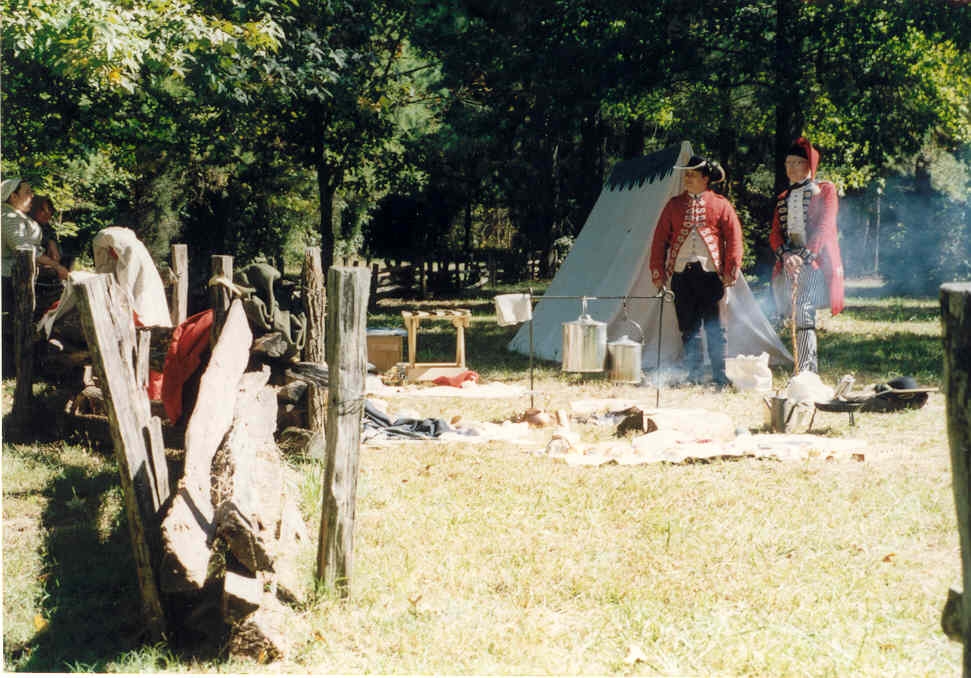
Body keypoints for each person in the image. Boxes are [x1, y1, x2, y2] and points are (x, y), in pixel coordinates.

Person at [649, 155, 743, 387]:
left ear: (705, 178)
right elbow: (660, 239)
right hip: (681, 274)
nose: (687, 178)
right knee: (688, 327)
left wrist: (731, 267)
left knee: (715, 328)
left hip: (711, 275)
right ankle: (695, 374)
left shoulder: (721, 204)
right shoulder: (673, 205)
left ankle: (720, 376)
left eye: (692, 174)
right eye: (686, 174)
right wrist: (658, 271)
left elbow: (734, 238)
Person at [769, 137, 844, 374]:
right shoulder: (783, 198)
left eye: (796, 162)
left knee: (803, 310)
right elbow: (775, 234)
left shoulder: (825, 191)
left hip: (815, 262)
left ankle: (807, 371)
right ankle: (802, 366)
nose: (790, 167)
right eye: (788, 162)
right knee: (795, 312)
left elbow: (825, 226)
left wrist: (802, 256)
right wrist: (786, 256)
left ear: (809, 165)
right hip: (790, 262)